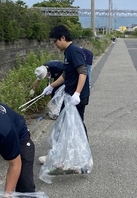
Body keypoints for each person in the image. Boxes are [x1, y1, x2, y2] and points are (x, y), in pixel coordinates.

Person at [39, 25, 90, 164]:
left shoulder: (73, 50)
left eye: (55, 41)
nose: (55, 44)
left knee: (73, 125)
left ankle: (77, 158)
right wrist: (51, 86)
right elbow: (66, 74)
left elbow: (83, 72)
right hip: (71, 95)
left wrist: (77, 93)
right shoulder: (68, 52)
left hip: (76, 97)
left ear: (63, 38)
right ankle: (67, 156)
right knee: (69, 125)